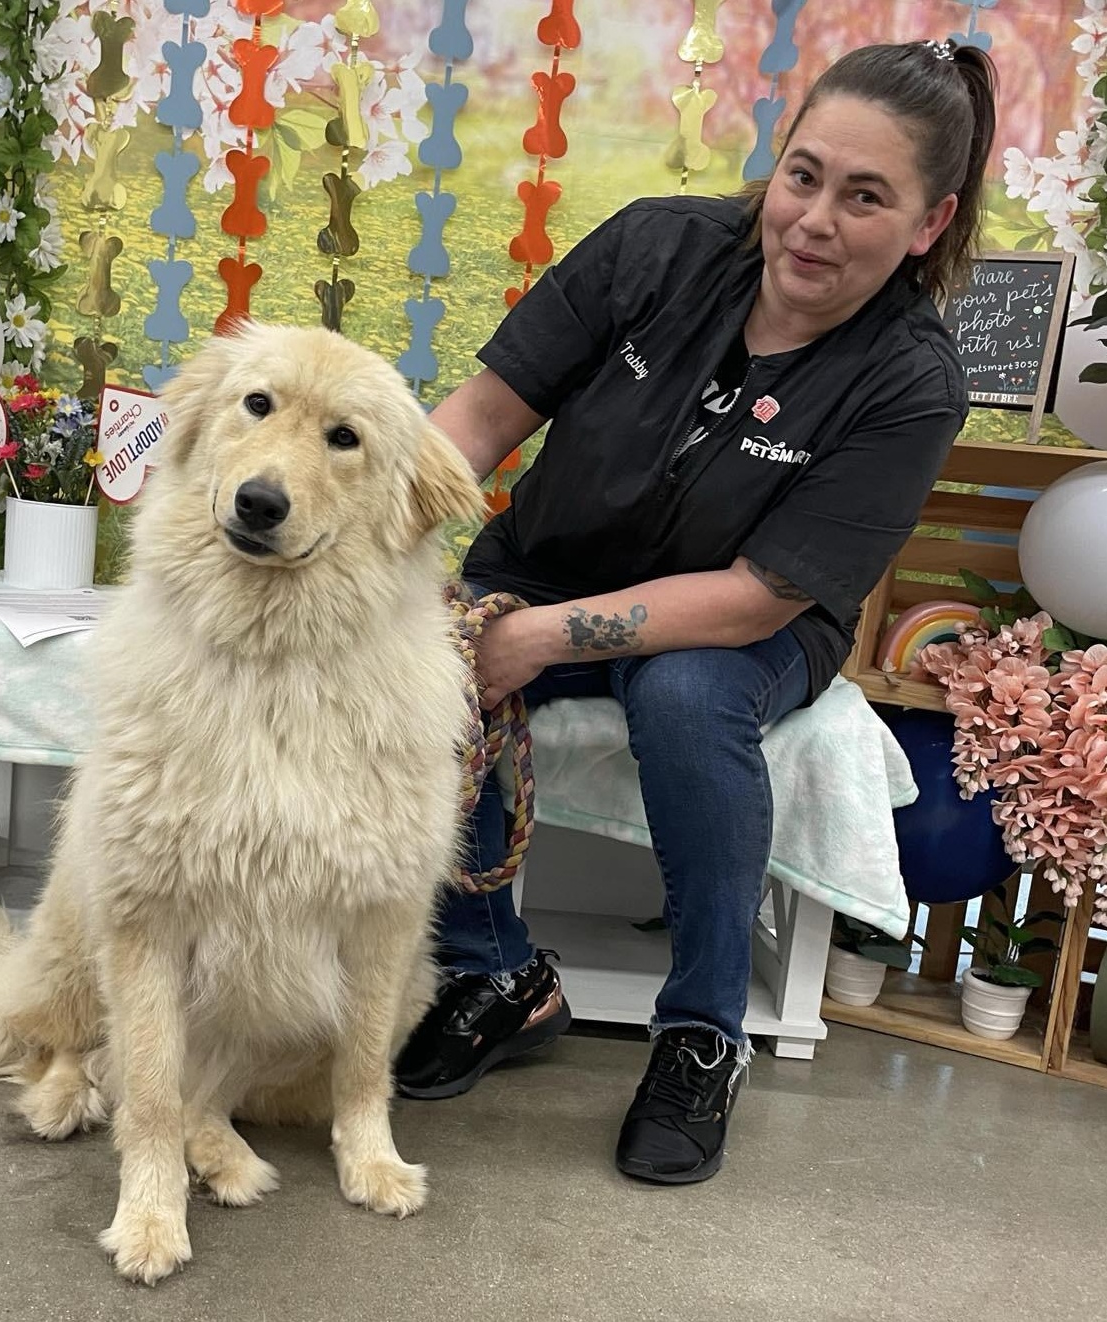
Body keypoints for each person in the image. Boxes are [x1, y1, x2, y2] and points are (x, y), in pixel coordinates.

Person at [395, 39, 998, 1185]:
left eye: (864, 196)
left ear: (928, 222)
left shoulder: (909, 379)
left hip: (750, 616)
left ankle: (700, 1034)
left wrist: (524, 639)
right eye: (802, 174)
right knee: (417, 660)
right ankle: (494, 974)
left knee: (678, 693)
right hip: (548, 556)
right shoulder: (654, 244)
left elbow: (748, 597)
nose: (813, 220)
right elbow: (476, 417)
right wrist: (382, 557)